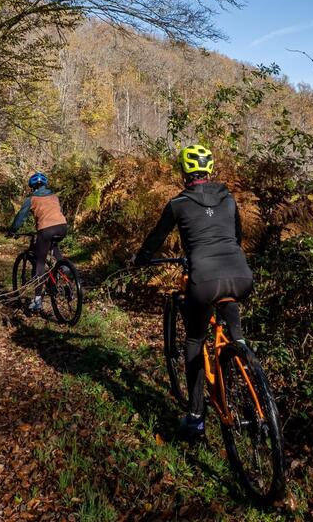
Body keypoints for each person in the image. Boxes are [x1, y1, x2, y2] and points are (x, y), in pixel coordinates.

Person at [134, 144, 254, 439]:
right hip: (240, 274)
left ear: (184, 173)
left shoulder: (178, 203)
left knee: (194, 339)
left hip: (204, 280)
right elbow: (236, 237)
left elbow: (155, 238)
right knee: (237, 337)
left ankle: (196, 417)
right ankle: (253, 389)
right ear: (210, 170)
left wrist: (141, 260)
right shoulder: (227, 198)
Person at [7, 172, 68, 313]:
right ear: (45, 184)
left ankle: (37, 301)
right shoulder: (54, 196)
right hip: (62, 227)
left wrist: (12, 230)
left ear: (32, 187)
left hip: (45, 229)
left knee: (40, 262)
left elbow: (20, 216)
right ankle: (63, 267)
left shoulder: (31, 198)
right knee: (53, 245)